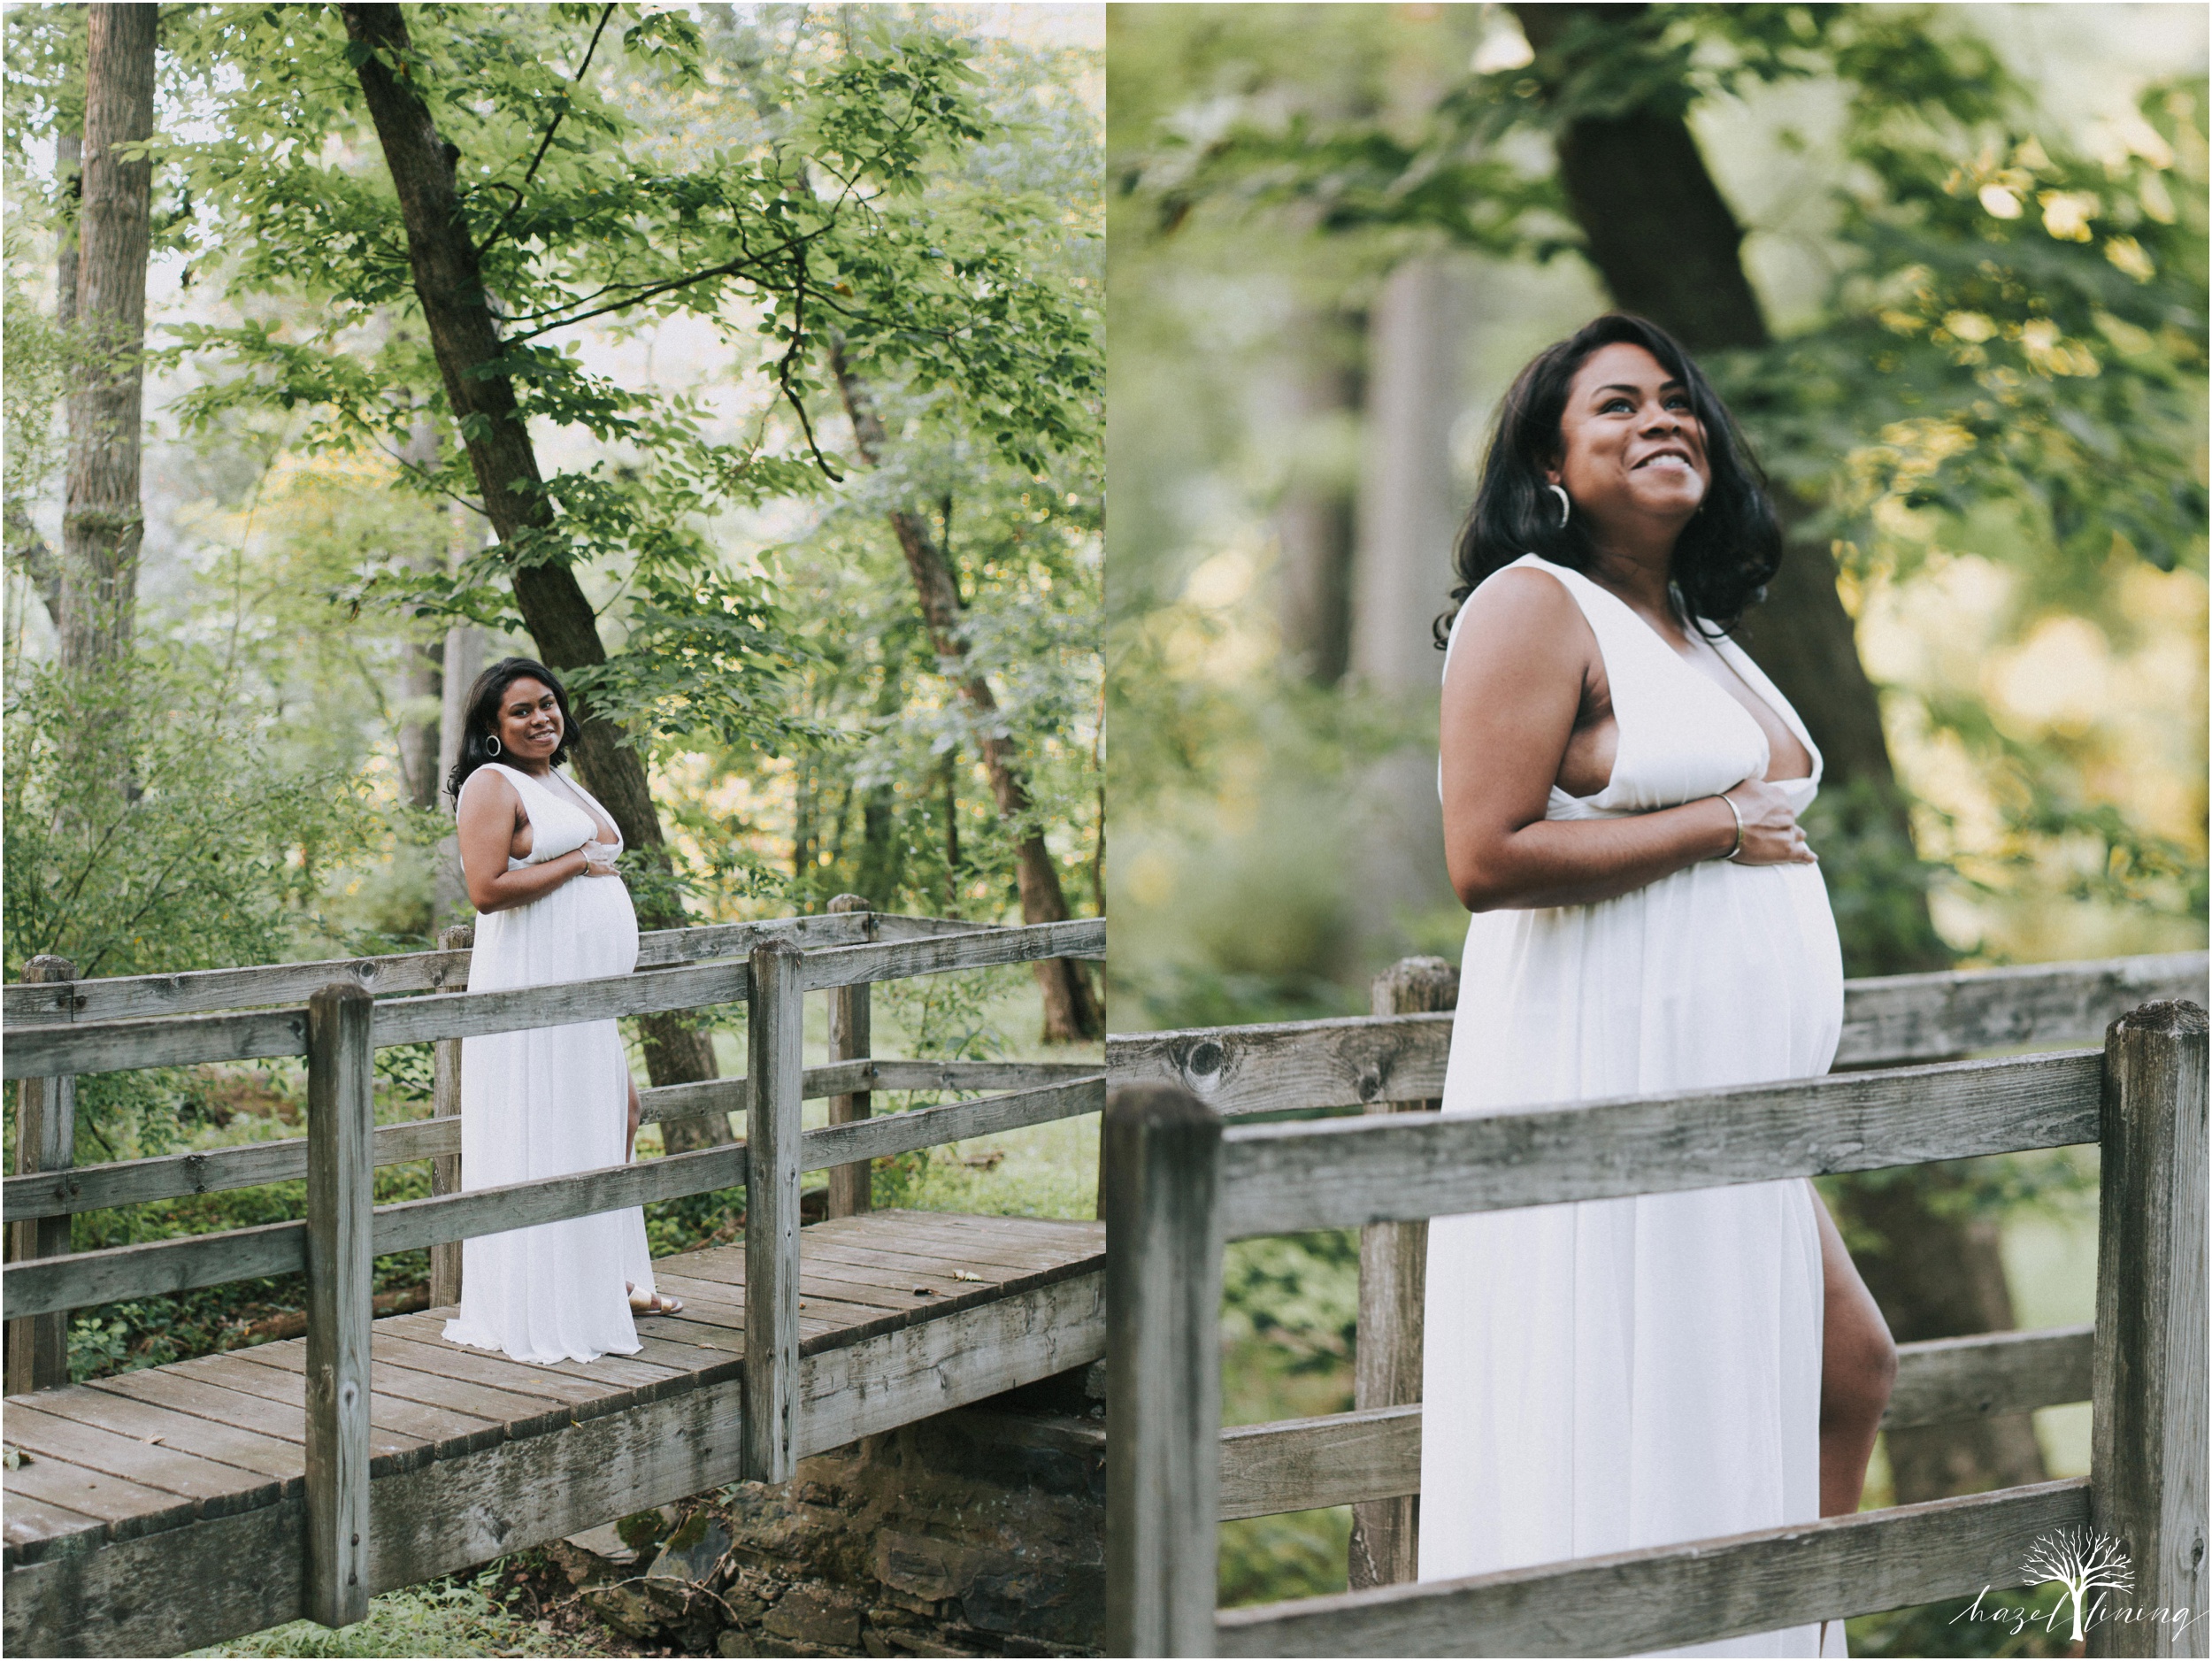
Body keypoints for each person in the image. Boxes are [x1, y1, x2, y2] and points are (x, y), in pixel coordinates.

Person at [1420, 314, 1897, 1657]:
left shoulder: (1694, 629)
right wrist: (1713, 826)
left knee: (1844, 1369)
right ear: (1553, 463)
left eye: (1678, 403)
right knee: (1640, 1408)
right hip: (1607, 1071)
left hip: (1739, 1105)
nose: (1662, 419)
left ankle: (1780, 1636)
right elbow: (1484, 856)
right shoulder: (1532, 603)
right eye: (1618, 406)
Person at [440, 657, 682, 1367]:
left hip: (585, 994)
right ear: (492, 726)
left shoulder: (556, 777)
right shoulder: (492, 784)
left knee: (614, 1117)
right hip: (532, 985)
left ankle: (610, 1279)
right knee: (545, 1128)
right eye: (521, 710)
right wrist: (578, 864)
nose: (541, 717)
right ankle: (552, 1300)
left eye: (548, 703)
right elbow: (486, 888)